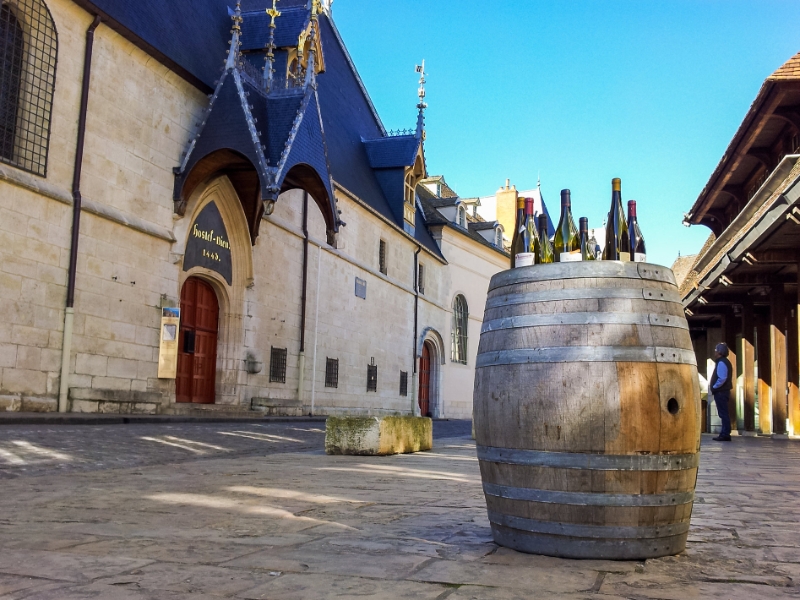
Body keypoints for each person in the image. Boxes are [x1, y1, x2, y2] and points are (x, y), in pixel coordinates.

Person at [710, 342, 733, 442]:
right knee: (723, 413)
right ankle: (725, 432)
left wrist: (714, 387)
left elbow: (722, 377)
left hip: (721, 392)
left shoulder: (722, 362)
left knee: (723, 413)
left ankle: (725, 433)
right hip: (722, 391)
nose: (714, 352)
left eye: (716, 350)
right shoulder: (723, 361)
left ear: (719, 351)